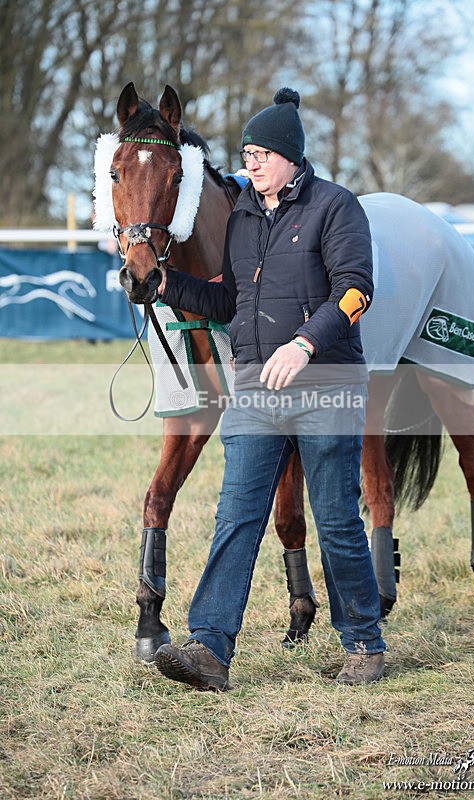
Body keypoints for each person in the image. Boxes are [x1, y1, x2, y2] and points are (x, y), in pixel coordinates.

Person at [154, 88, 386, 690]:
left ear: (291, 157)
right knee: (235, 514)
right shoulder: (242, 220)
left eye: (260, 152)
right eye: (245, 152)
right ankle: (208, 649)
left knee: (335, 517)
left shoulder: (337, 207)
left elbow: (356, 290)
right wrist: (165, 284)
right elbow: (227, 300)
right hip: (256, 387)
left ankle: (362, 641)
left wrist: (304, 343)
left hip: (326, 383)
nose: (250, 162)